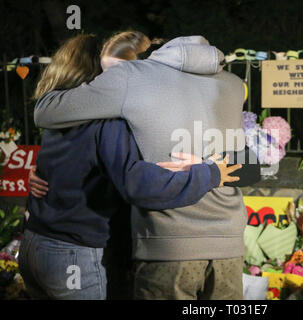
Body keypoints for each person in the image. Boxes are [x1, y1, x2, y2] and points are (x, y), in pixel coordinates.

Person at [19, 33, 242, 300]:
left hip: (158, 242)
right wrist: (212, 168)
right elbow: (251, 161)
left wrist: (209, 171)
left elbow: (136, 182)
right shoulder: (232, 85)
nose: (107, 82)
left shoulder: (124, 91)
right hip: (226, 238)